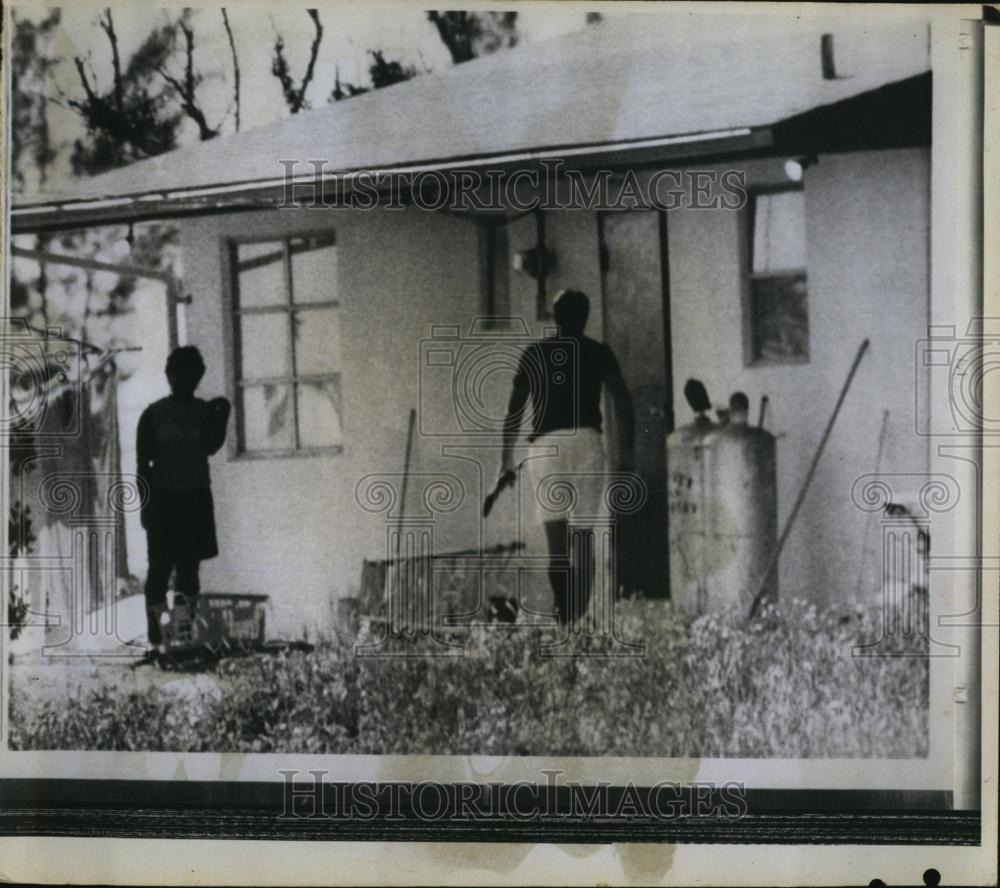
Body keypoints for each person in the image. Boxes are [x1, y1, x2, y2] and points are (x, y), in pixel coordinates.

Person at [499, 289, 634, 625]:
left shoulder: (534, 353)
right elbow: (622, 400)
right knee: (584, 538)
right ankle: (580, 617)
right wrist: (626, 452)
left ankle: (565, 618)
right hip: (587, 443)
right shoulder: (598, 352)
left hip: (546, 448)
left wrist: (505, 458)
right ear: (585, 318)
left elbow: (514, 409)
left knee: (557, 544)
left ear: (554, 317)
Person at [137, 346, 230, 653]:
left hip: (194, 500)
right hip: (163, 502)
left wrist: (222, 415)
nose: (185, 381)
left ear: (197, 378)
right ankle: (156, 640)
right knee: (159, 572)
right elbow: (143, 467)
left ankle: (181, 637)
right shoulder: (152, 415)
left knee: (188, 573)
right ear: (169, 375)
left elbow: (211, 446)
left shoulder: (204, 411)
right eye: (180, 375)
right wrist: (146, 507)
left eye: (193, 376)